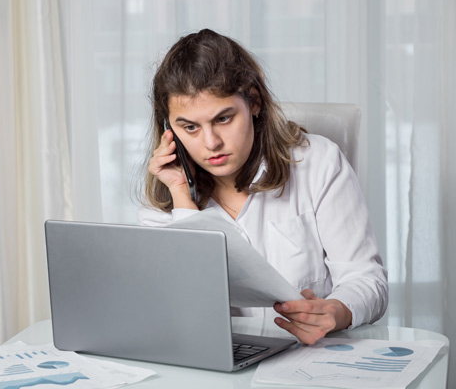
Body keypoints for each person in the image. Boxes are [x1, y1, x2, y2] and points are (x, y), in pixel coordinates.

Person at [137, 29, 388, 345]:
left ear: (253, 103)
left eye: (224, 118)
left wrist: (334, 312)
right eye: (190, 127)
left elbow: (367, 280)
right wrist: (181, 199)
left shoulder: (318, 162)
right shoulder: (165, 200)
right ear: (169, 130)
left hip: (309, 363)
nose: (211, 143)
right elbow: (182, 312)